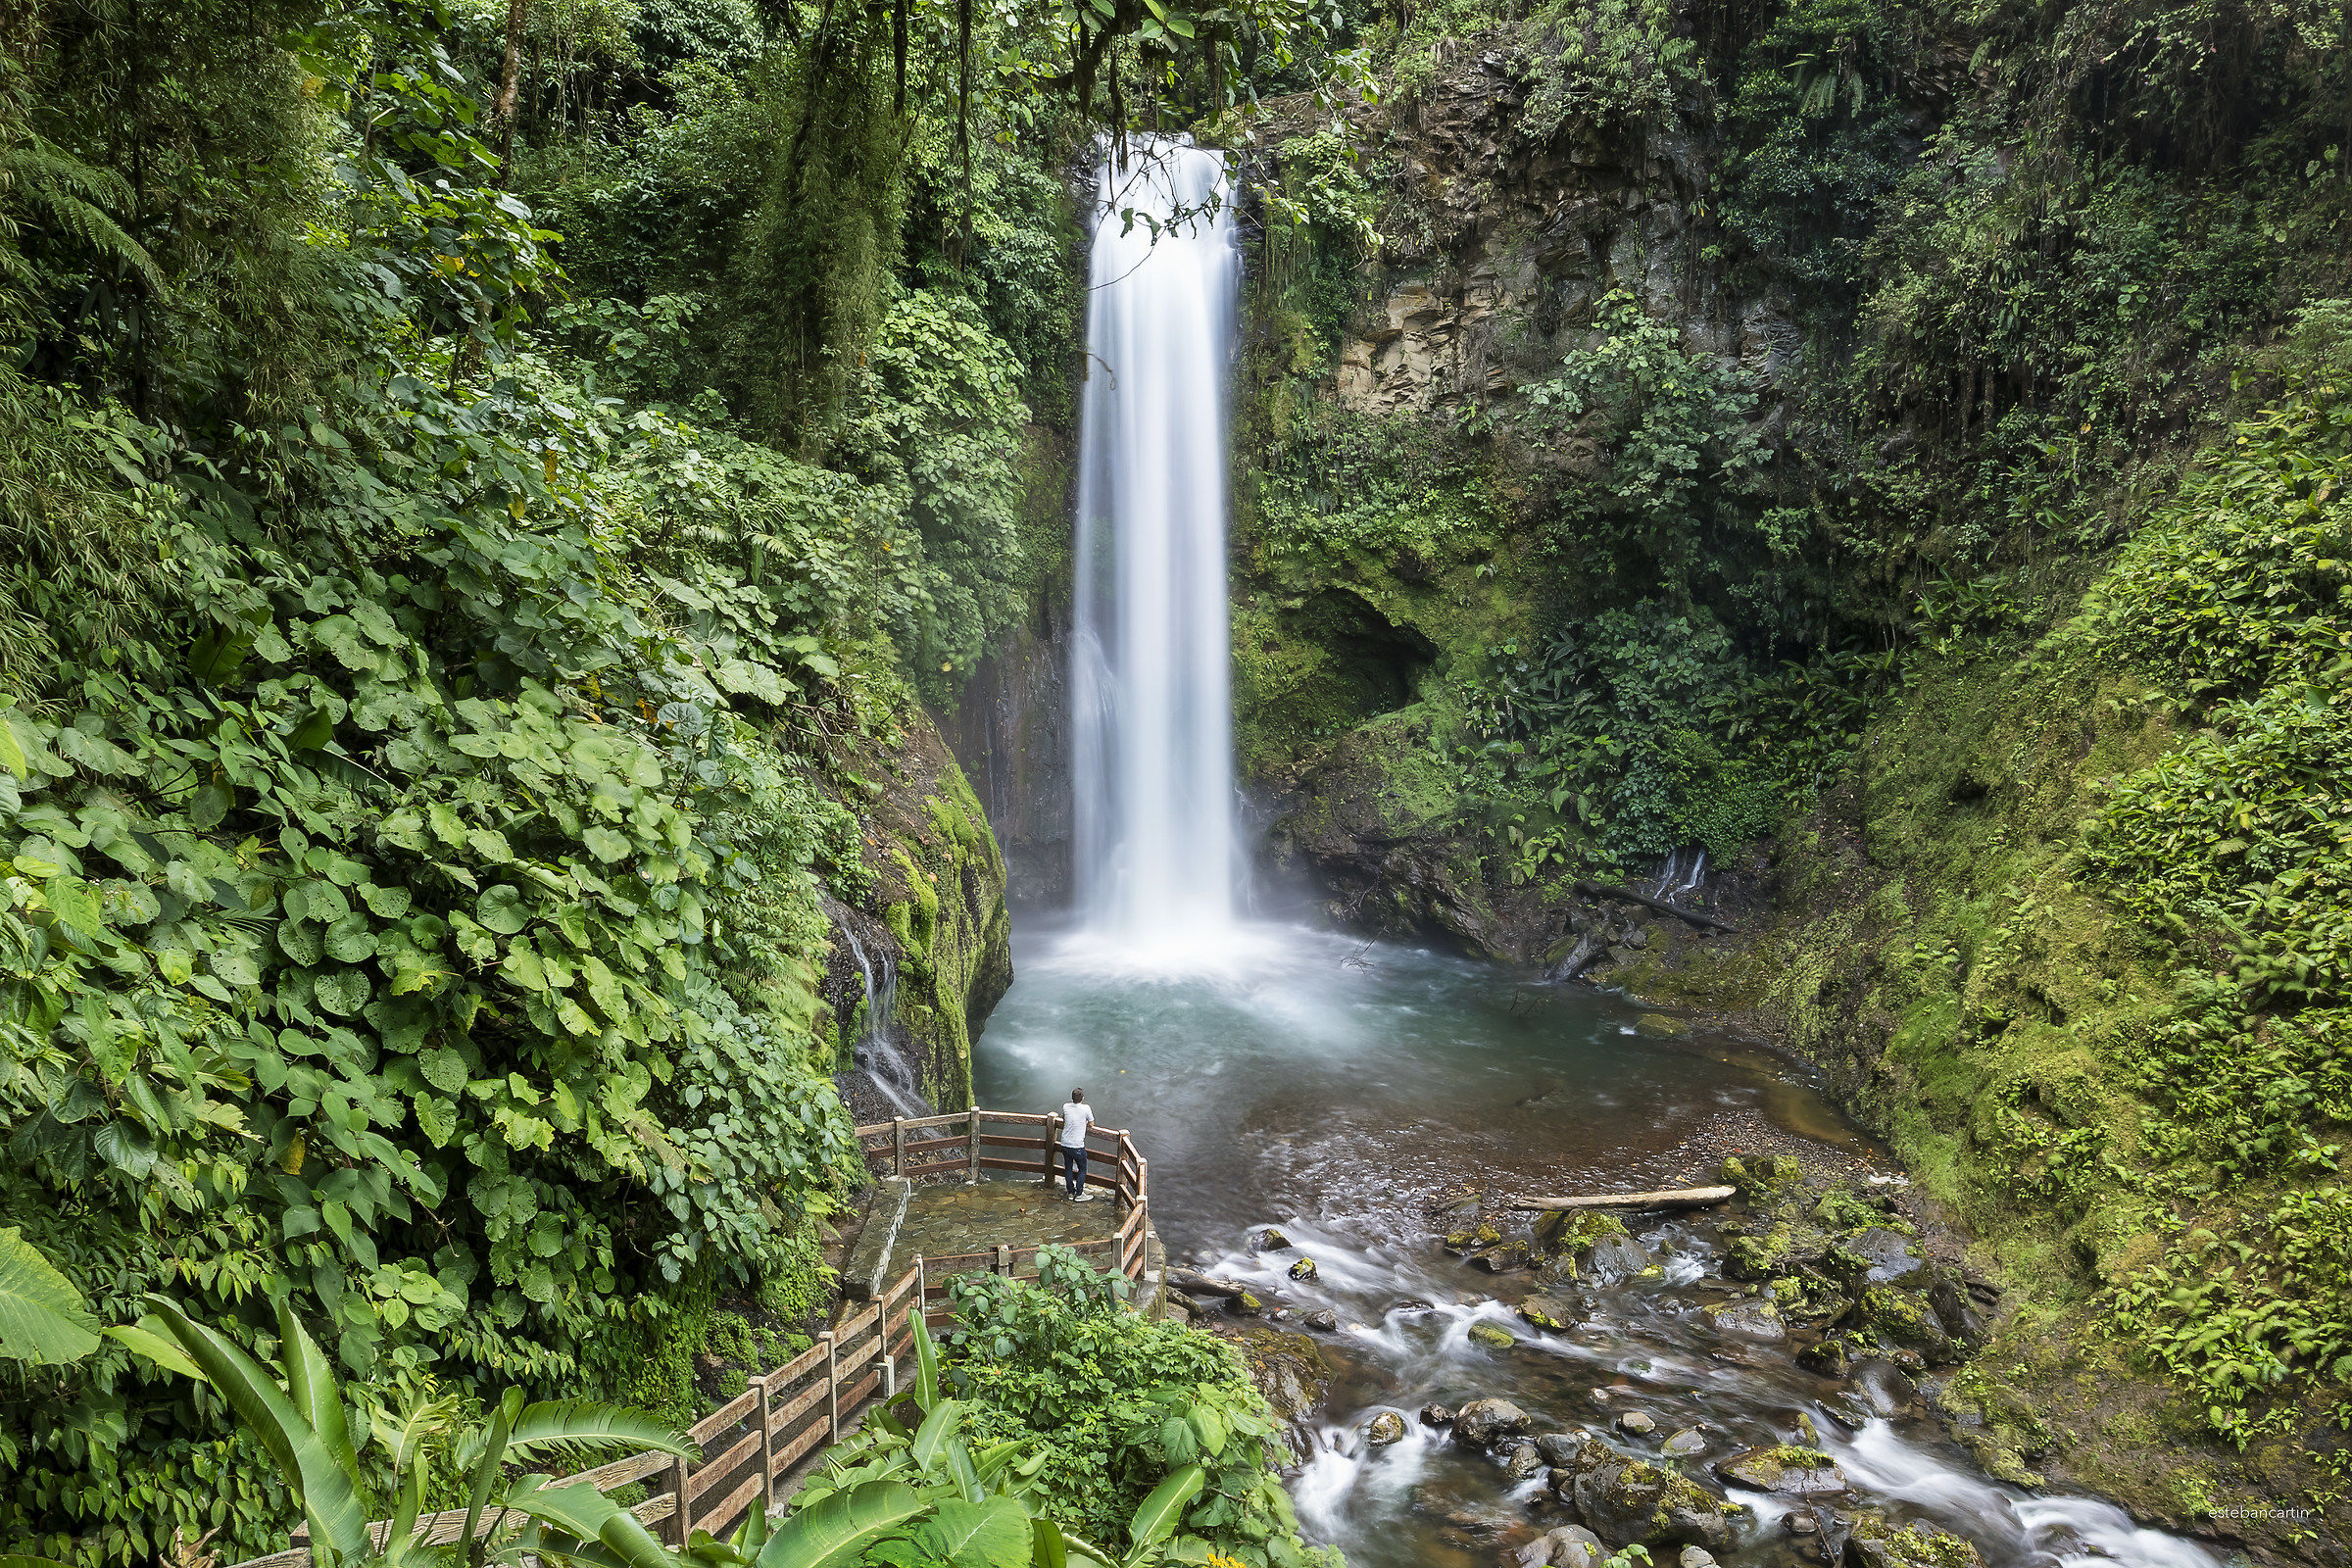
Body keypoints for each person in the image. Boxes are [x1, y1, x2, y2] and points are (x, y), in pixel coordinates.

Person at [1058, 1088, 1095, 1200]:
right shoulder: (1086, 1108)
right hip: (1077, 1145)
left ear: (1072, 1098)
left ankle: (1070, 1193)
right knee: (1082, 1169)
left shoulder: (1066, 1106)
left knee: (1068, 1168)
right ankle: (1079, 1194)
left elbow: (1064, 1118)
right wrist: (1083, 1122)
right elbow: (1091, 1124)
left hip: (1065, 1143)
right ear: (1082, 1098)